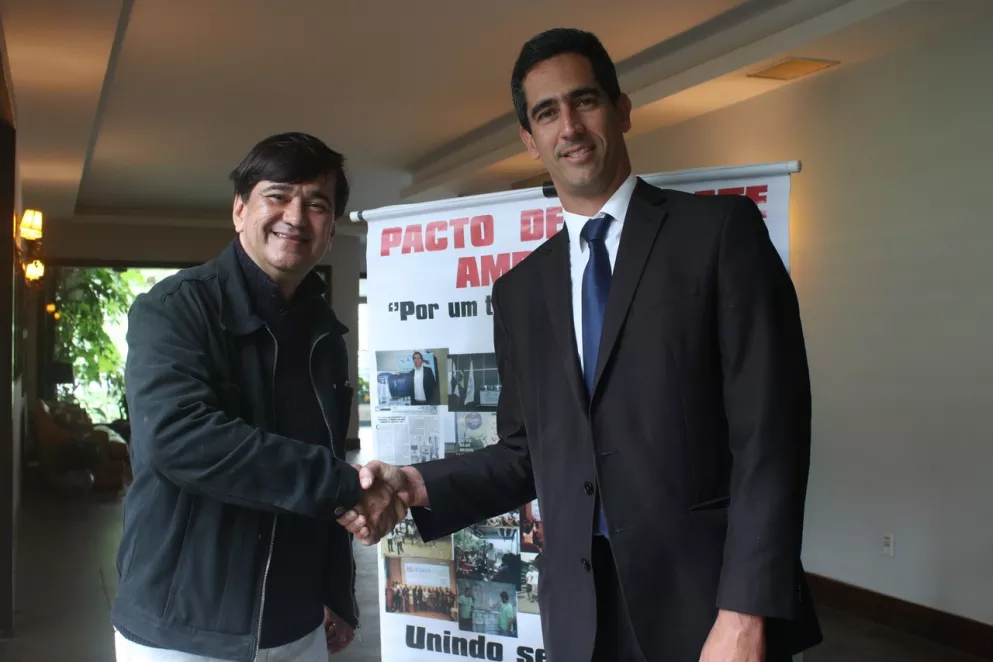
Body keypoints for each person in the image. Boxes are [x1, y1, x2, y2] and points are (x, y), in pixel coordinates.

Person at [341, 27, 823, 662]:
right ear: (530, 139)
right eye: (547, 113)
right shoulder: (520, 291)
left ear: (621, 110)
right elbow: (525, 454)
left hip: (706, 605)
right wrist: (409, 483)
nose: (568, 126)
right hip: (580, 612)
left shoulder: (717, 234)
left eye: (584, 101)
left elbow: (770, 435)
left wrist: (744, 611)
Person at [112, 132, 401, 662]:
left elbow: (325, 454)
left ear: (331, 230)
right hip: (186, 631)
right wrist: (344, 487)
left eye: (317, 204)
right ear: (240, 210)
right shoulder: (175, 309)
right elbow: (178, 439)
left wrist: (335, 591)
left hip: (298, 626)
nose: (296, 216)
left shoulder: (325, 334)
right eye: (278, 196)